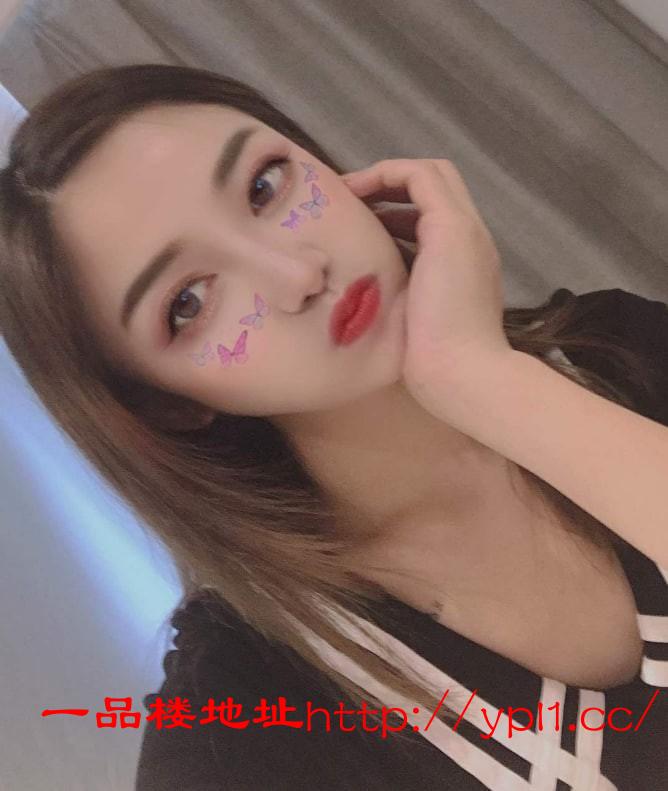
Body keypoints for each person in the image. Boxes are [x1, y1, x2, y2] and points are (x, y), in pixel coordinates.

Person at [0, 63, 666, 790]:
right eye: (188, 302)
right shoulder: (243, 721)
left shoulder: (619, 351)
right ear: (165, 403)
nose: (299, 274)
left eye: (264, 187)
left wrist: (484, 380)